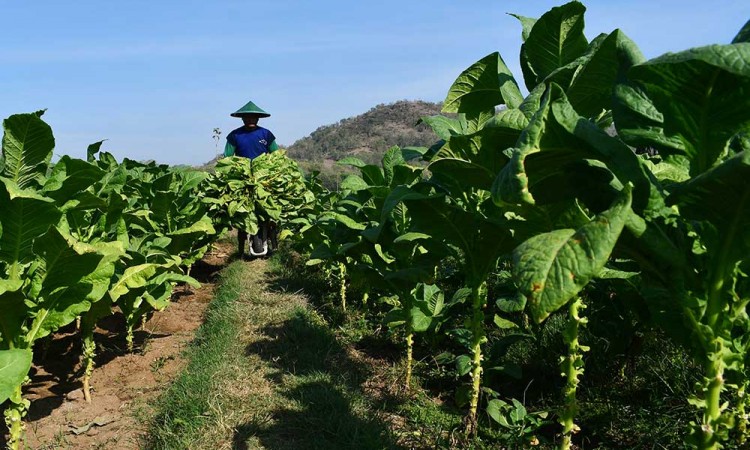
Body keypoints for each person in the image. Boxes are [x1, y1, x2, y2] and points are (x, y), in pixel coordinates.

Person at [224, 100, 278, 257]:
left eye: (254, 117)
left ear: (258, 118)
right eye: (247, 117)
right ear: (242, 118)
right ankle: (241, 250)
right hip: (242, 178)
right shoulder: (235, 135)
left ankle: (272, 240)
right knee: (241, 211)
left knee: (270, 209)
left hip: (264, 177)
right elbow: (227, 156)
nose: (251, 120)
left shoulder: (266, 134)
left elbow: (276, 155)